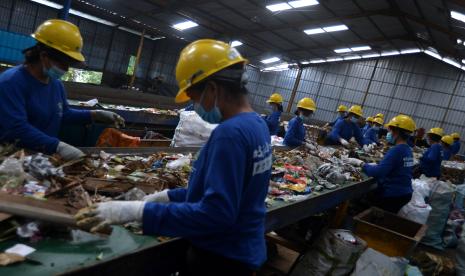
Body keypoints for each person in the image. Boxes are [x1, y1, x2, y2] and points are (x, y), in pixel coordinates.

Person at [75, 39, 272, 275]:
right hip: (243, 248)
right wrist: (168, 196)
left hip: (221, 257)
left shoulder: (229, 134)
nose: (194, 105)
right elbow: (227, 193)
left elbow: (216, 214)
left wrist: (138, 213)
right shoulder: (257, 125)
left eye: (193, 97)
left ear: (212, 89)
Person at [0, 20, 124, 160]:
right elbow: (15, 128)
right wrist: (57, 146)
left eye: (69, 64)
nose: (66, 69)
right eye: (63, 63)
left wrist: (95, 114)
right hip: (11, 160)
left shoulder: (55, 84)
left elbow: (63, 114)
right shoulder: (11, 82)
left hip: (40, 158)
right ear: (44, 56)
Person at [362, 115, 416, 213]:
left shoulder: (396, 150)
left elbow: (379, 172)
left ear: (397, 132)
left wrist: (362, 164)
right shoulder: (407, 149)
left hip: (393, 193)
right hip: (405, 192)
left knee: (377, 217)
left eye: (390, 130)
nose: (389, 133)